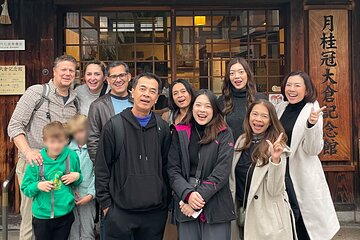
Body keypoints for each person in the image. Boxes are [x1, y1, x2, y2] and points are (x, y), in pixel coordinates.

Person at [7, 54, 78, 240]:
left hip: (60, 169)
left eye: (71, 70)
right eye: (63, 69)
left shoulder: (75, 100)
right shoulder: (36, 93)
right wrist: (28, 151)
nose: (67, 73)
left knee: (58, 216)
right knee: (32, 219)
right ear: (54, 71)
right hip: (34, 166)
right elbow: (14, 126)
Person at [95, 72, 171, 240]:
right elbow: (102, 168)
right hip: (119, 213)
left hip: (154, 214)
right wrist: (106, 205)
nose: (146, 94)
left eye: (152, 91)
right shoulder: (114, 126)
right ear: (132, 92)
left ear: (157, 98)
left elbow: (168, 168)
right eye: (142, 89)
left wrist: (165, 203)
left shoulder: (163, 128)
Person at [276, 71, 339, 240]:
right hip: (281, 172)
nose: (291, 89)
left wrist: (311, 125)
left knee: (304, 222)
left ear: (306, 89)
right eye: (288, 85)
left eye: (297, 85)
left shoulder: (312, 109)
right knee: (288, 220)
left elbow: (313, 149)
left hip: (301, 174)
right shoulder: (282, 107)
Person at [167, 89, 235, 240]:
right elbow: (173, 170)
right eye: (198, 105)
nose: (202, 110)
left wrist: (197, 198)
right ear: (192, 108)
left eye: (208, 106)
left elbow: (222, 172)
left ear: (215, 110)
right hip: (185, 202)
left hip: (216, 202)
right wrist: (188, 194)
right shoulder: (180, 132)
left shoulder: (224, 133)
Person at [229, 99, 295, 240]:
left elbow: (275, 189)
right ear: (248, 117)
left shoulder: (276, 146)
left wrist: (275, 160)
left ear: (271, 121)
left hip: (267, 218)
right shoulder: (242, 141)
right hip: (243, 211)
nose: (258, 120)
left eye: (264, 116)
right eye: (255, 114)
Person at [21, 121, 82, 240]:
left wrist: (77, 177)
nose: (56, 146)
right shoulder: (37, 161)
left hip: (65, 214)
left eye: (60, 141)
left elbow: (77, 180)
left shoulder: (72, 157)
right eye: (52, 142)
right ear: (44, 141)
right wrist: (38, 186)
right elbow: (25, 188)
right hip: (42, 217)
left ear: (66, 140)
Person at [87, 61, 133, 162]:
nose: (118, 80)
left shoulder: (137, 102)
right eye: (113, 76)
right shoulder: (98, 106)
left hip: (136, 162)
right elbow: (93, 141)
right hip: (111, 163)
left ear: (129, 77)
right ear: (107, 79)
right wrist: (101, 167)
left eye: (122, 75)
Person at [218, 57, 266, 141]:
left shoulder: (260, 99)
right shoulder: (222, 101)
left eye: (241, 72)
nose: (237, 76)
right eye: (232, 73)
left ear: (247, 74)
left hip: (254, 150)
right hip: (230, 150)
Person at [67, 115, 96, 240]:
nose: (78, 135)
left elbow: (97, 174)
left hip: (88, 196)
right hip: (70, 197)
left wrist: (91, 194)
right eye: (75, 132)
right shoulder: (67, 150)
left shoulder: (94, 148)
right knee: (72, 230)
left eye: (81, 131)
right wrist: (69, 192)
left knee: (87, 231)